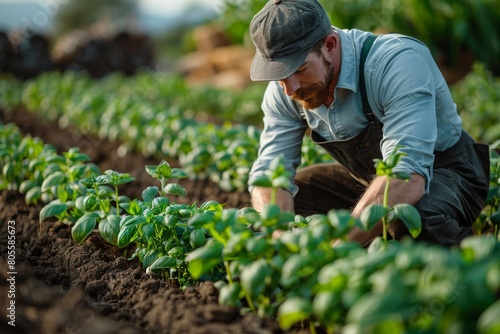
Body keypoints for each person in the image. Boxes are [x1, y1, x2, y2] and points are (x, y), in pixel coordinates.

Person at [247, 0, 490, 246]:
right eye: (279, 76)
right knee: (284, 199)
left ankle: (473, 265)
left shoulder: (396, 64)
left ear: (330, 45)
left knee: (407, 217)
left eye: (300, 69)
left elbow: (406, 175)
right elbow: (270, 173)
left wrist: (338, 248)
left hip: (448, 173)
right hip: (370, 180)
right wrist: (279, 236)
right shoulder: (287, 86)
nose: (290, 90)